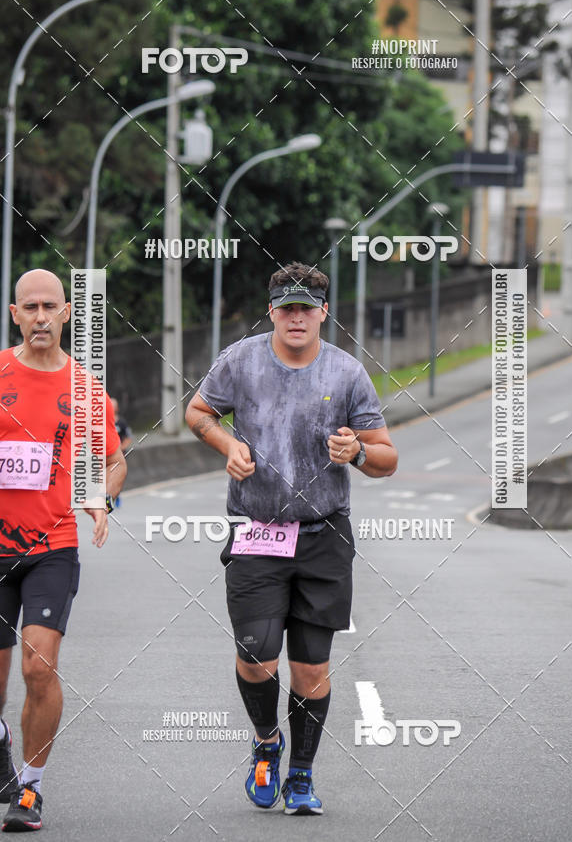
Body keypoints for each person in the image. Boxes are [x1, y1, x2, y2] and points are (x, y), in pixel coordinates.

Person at [185, 261, 397, 815]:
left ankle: (300, 772)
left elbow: (387, 457)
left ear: (324, 313)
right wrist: (226, 445)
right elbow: (198, 412)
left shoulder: (348, 374)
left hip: (324, 534)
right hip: (257, 530)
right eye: (286, 307)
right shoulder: (241, 361)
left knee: (310, 668)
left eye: (307, 308)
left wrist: (359, 453)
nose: (296, 317)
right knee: (255, 654)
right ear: (271, 309)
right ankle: (265, 741)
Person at [0, 269, 126, 831]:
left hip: (51, 544)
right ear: (15, 314)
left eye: (51, 306)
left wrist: (99, 497)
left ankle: (30, 789)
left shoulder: (86, 390)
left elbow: (113, 462)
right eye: (31, 307)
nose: (41, 316)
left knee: (38, 668)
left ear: (68, 313)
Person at [110, 398, 132, 508]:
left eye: (114, 405)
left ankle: (116, 495)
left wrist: (121, 449)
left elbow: (128, 438)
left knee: (117, 474)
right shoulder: (102, 421)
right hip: (106, 455)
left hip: (119, 454)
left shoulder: (121, 423)